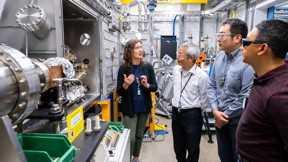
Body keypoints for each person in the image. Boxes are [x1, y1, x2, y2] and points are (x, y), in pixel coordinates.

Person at [237, 19, 288, 162]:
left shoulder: (280, 94)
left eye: (246, 43)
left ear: (262, 48)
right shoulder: (264, 79)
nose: (242, 48)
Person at [206, 18, 254, 162]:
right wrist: (214, 110)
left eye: (222, 35)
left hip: (237, 122)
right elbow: (212, 85)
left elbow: (245, 95)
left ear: (237, 38)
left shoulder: (247, 61)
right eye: (218, 35)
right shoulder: (219, 57)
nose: (218, 39)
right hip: (219, 119)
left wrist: (224, 116)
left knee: (238, 157)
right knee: (224, 156)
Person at [116, 39, 157, 162]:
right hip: (129, 108)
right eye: (137, 48)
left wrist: (147, 85)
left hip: (144, 107)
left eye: (141, 47)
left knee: (139, 135)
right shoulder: (123, 68)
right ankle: (126, 158)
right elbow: (119, 91)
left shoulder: (147, 67)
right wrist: (126, 85)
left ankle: (136, 158)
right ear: (129, 51)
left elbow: (155, 87)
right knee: (130, 137)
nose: (140, 50)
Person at [172, 42, 209, 162]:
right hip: (176, 113)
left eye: (180, 54)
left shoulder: (201, 76)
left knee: (192, 148)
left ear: (191, 58)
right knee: (178, 147)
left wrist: (196, 111)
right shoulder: (176, 70)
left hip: (192, 115)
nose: (177, 56)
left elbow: (204, 99)